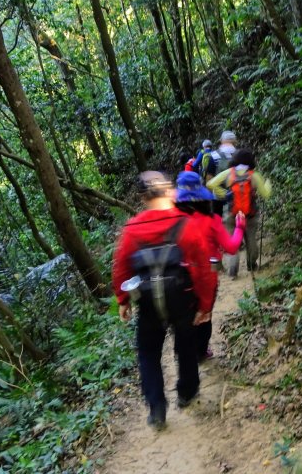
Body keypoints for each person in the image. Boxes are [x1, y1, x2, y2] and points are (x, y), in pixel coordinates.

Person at [112, 171, 216, 431]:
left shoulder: (132, 229)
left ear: (143, 198)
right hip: (181, 297)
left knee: (148, 352)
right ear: (170, 191)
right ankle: (187, 393)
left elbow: (121, 267)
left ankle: (157, 408)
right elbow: (203, 268)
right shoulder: (185, 223)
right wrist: (205, 305)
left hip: (147, 301)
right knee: (185, 344)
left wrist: (123, 299)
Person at [174, 171, 247, 361]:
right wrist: (239, 227)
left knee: (184, 317)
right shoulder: (211, 220)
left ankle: (185, 353)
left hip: (180, 278)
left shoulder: (172, 220)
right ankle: (201, 351)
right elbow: (231, 247)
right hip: (208, 276)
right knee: (205, 315)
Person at [207, 149, 270, 278]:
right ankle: (251, 265)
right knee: (251, 241)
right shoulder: (254, 175)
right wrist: (268, 184)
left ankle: (233, 270)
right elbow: (266, 194)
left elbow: (210, 184)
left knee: (232, 242)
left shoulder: (229, 173)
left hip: (232, 214)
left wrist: (224, 194)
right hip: (250, 215)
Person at [208, 131, 237, 215]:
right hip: (235, 193)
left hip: (218, 194)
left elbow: (210, 176)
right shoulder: (239, 155)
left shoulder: (213, 155)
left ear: (221, 141)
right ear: (235, 142)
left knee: (218, 219)